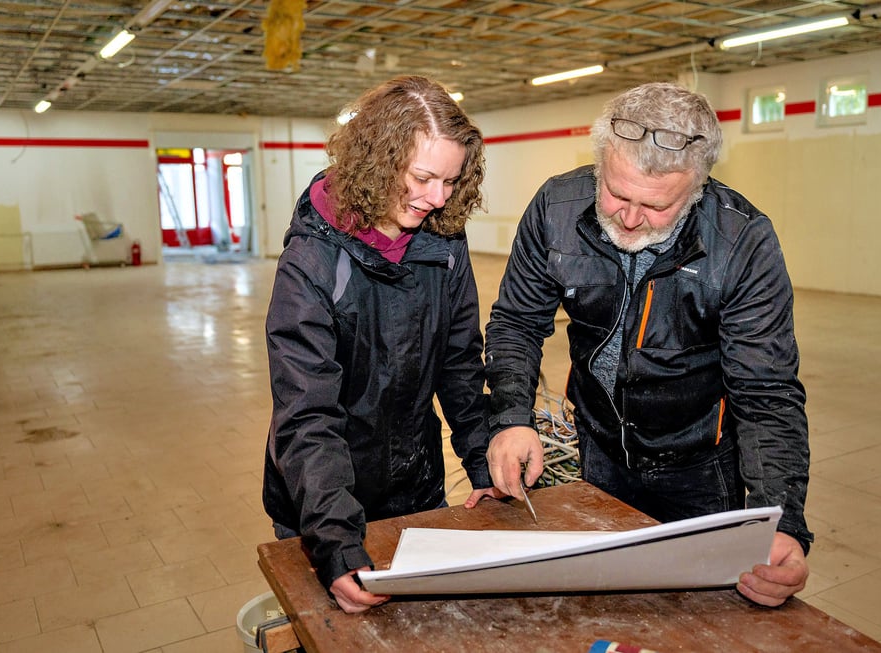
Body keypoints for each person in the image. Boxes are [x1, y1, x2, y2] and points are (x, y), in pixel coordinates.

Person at [484, 81, 813, 607]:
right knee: (601, 602)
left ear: (698, 187)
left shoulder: (742, 243)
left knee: (701, 614)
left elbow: (766, 394)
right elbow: (517, 322)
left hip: (700, 465)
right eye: (616, 194)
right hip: (599, 449)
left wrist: (783, 522)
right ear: (599, 164)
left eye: (656, 205)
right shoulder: (556, 208)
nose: (630, 218)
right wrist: (511, 419)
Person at [262, 75, 498, 614]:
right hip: (321, 505)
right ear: (377, 162)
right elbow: (306, 415)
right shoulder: (311, 263)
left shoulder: (444, 241)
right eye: (423, 177)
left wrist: (483, 463)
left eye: (450, 180)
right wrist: (336, 545)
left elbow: (459, 361)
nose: (438, 198)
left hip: (416, 486)